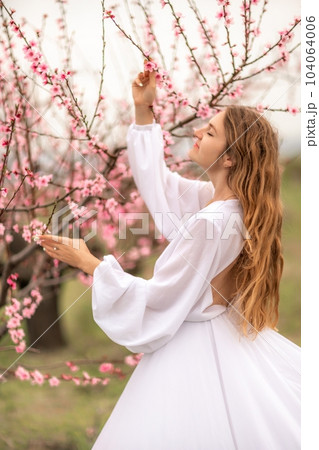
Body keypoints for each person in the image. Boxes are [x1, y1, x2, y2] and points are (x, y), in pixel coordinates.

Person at [39, 67, 301, 449]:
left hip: (193, 352)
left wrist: (90, 263)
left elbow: (160, 300)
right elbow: (160, 185)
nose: (197, 131)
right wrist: (144, 113)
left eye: (210, 132)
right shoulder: (231, 207)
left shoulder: (210, 222)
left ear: (229, 159)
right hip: (226, 337)